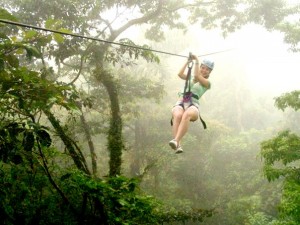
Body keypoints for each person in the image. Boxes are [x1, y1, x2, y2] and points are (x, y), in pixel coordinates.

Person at [169, 54, 214, 153]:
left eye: (207, 69)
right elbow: (180, 74)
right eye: (202, 68)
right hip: (182, 101)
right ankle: (178, 145)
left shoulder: (207, 83)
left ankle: (176, 141)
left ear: (210, 72)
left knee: (187, 114)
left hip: (193, 105)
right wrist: (188, 61)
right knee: (177, 115)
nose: (204, 70)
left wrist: (196, 59)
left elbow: (198, 76)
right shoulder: (191, 76)